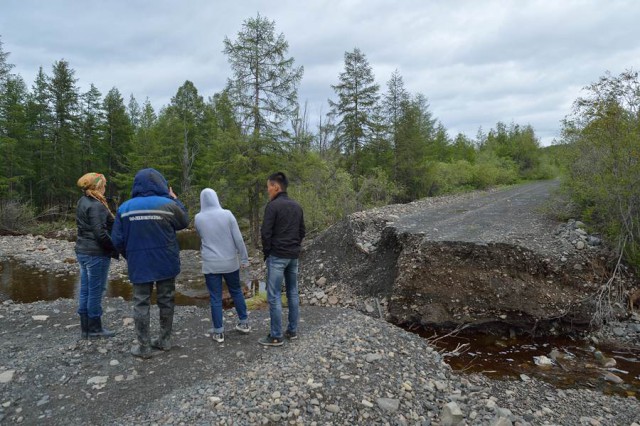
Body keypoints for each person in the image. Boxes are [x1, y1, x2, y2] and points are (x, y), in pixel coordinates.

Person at [111, 168, 189, 358]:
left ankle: (144, 347)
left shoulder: (125, 208)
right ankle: (165, 339)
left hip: (140, 264)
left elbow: (117, 240)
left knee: (141, 302)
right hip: (166, 261)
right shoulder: (168, 205)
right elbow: (184, 222)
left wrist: (131, 255)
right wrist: (175, 199)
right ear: (161, 183)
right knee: (166, 299)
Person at [195, 188, 251, 343]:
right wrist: (244, 258)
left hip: (210, 263)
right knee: (236, 291)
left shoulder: (198, 218)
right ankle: (244, 323)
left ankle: (219, 332)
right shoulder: (227, 214)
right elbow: (238, 239)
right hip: (230, 262)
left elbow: (202, 237)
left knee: (215, 297)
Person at [259, 172, 305, 346]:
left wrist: (267, 252)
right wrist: (294, 247)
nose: (267, 190)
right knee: (293, 292)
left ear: (276, 187)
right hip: (293, 256)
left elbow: (265, 233)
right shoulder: (297, 206)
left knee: (274, 295)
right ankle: (292, 331)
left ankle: (276, 336)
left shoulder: (273, 206)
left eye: (268, 187)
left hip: (278, 256)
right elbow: (302, 232)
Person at [75, 172, 118, 339]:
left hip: (83, 251)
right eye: (104, 184)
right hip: (95, 254)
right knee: (95, 291)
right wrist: (115, 247)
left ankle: (85, 328)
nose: (105, 187)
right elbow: (100, 234)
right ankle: (94, 329)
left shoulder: (83, 201)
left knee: (85, 290)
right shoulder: (96, 205)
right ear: (98, 186)